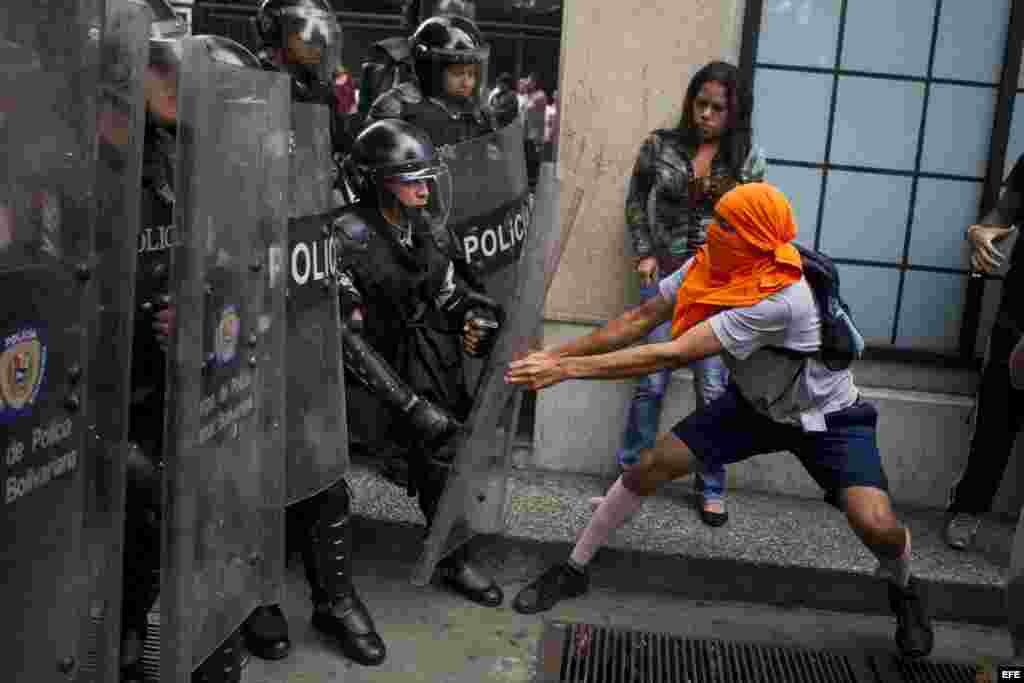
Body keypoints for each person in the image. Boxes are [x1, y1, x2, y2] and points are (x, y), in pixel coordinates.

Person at [505, 182, 935, 659]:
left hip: (827, 418)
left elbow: (670, 354)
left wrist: (567, 370)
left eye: (728, 225)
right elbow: (641, 318)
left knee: (876, 525)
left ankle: (904, 587)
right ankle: (575, 568)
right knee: (648, 466)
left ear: (755, 240)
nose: (713, 229)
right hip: (752, 406)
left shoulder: (783, 297)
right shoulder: (710, 262)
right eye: (718, 217)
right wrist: (556, 354)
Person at [246, 0, 391, 667]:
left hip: (307, 293)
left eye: (321, 40)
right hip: (250, 291)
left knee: (319, 451)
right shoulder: (242, 87)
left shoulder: (324, 106)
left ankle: (333, 597)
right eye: (306, 39)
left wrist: (346, 277)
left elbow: (332, 195)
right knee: (254, 459)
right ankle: (253, 596)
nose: (317, 50)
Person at [122, 5, 257, 680]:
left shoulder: (172, 153)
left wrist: (199, 314)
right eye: (159, 65)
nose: (173, 79)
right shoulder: (78, 151)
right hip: (91, 391)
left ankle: (138, 644)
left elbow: (218, 261)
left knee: (168, 517)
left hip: (162, 381)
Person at [335, 119, 506, 612]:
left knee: (446, 445)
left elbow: (448, 294)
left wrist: (473, 317)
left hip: (415, 360)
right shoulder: (347, 237)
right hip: (359, 376)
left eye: (426, 177)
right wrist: (407, 404)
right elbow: (343, 336)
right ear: (375, 181)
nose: (424, 188)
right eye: (410, 178)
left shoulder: (426, 228)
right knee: (324, 481)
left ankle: (451, 554)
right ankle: (329, 588)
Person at [621, 61, 766, 527]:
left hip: (718, 290)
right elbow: (635, 198)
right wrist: (644, 251)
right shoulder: (659, 146)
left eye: (717, 108)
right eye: (700, 104)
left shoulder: (748, 160)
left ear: (734, 112)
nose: (706, 114)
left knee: (714, 389)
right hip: (666, 281)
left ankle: (712, 485)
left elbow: (757, 226)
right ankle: (631, 479)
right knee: (650, 382)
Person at [946, 153, 1024, 550]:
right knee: (995, 420)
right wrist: (981, 232)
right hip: (1017, 314)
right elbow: (1003, 214)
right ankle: (968, 508)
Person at [365, 14, 496, 147]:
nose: (467, 82)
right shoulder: (398, 107)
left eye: (472, 74)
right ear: (431, 71)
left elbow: (495, 152)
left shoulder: (477, 113)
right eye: (457, 74)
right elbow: (375, 152)